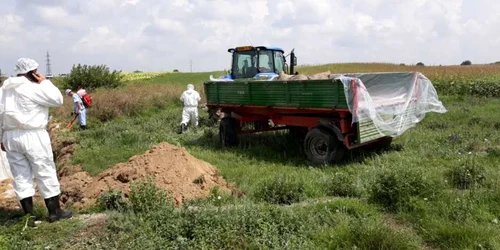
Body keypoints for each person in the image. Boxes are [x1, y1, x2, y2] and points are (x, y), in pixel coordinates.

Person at [0, 58, 73, 225]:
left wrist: (1, 138)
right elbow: (57, 100)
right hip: (33, 135)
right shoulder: (33, 88)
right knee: (45, 171)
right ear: (32, 72)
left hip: (10, 136)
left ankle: (29, 217)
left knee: (20, 176)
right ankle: (54, 212)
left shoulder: (3, 90)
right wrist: (45, 82)